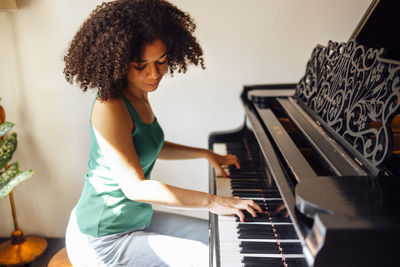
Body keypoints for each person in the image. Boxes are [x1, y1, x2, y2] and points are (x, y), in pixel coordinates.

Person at [63, 0, 262, 266]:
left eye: (161, 61)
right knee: (213, 258)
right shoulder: (109, 106)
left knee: (221, 236)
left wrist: (205, 154)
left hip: (136, 218)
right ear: (119, 61)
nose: (154, 73)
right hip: (103, 238)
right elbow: (135, 187)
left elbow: (150, 144)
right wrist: (211, 200)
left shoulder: (139, 94)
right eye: (140, 65)